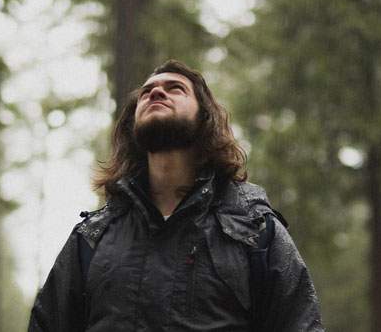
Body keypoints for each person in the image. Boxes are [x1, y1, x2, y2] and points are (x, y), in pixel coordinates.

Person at [28, 60, 324, 331]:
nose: (156, 93)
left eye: (175, 88)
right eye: (147, 92)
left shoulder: (252, 227)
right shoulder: (93, 236)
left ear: (204, 117)